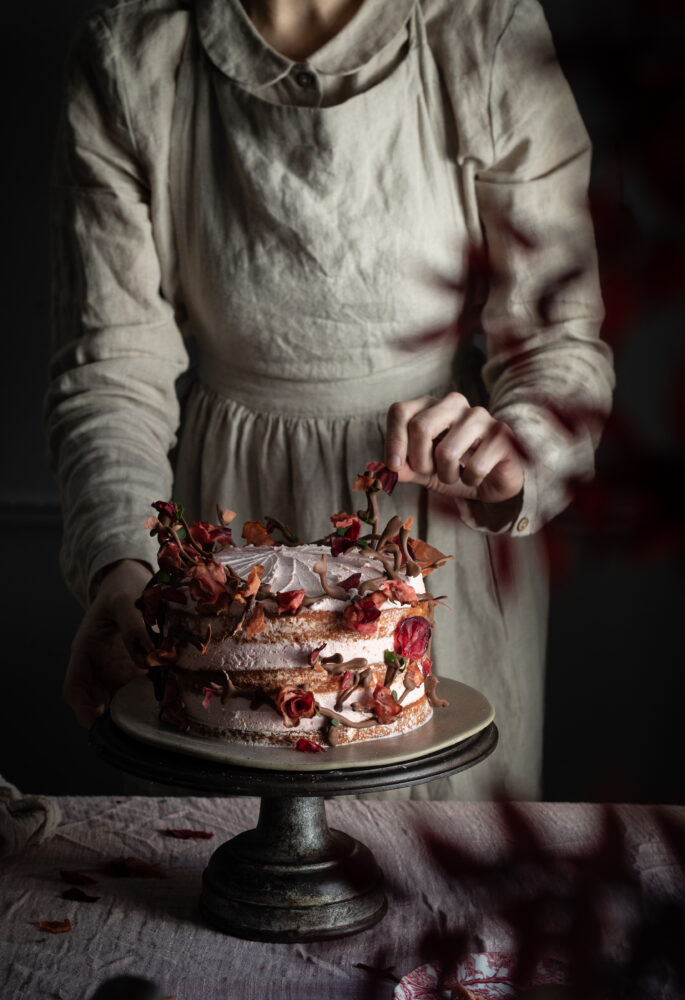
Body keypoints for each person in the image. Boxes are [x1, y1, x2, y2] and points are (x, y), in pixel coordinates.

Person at [46, 0, 614, 800]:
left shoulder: (483, 31)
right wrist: (119, 564)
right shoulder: (132, 50)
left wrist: (511, 448)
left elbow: (557, 342)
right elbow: (111, 361)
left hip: (433, 532)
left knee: (438, 879)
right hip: (226, 536)